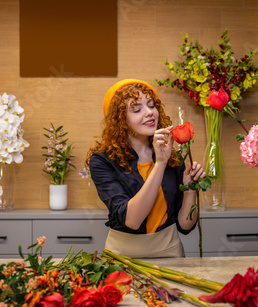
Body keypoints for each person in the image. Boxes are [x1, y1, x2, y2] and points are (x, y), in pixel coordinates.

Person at [85, 79, 206, 258]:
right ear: (121, 120)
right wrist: (160, 164)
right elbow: (132, 220)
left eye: (151, 105)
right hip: (123, 257)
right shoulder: (102, 161)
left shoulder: (172, 156)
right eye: (137, 109)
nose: (149, 113)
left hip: (170, 253)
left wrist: (189, 190)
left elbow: (185, 226)